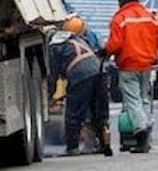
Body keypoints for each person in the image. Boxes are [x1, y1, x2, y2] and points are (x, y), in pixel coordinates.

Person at [103, 0, 158, 151]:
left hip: (128, 67)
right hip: (147, 66)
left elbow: (115, 44)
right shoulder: (151, 18)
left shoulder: (120, 19)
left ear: (122, 0)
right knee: (144, 99)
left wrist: (104, 52)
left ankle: (141, 134)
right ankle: (146, 135)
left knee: (133, 101)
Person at [48, 17, 112, 156]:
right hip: (100, 72)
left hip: (81, 75)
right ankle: (103, 144)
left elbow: (53, 74)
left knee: (74, 112)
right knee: (98, 111)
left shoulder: (55, 47)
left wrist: (49, 96)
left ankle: (72, 147)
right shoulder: (80, 40)